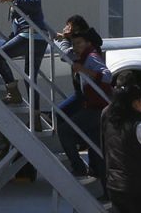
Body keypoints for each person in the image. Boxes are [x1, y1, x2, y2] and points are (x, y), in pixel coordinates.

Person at [0, 0, 50, 104]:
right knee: (30, 78)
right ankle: (35, 117)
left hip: (29, 35)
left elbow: (33, 2)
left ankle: (13, 92)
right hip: (38, 37)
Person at [103, 84, 141, 213]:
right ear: (134, 103)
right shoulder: (139, 126)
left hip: (114, 184)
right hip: (137, 187)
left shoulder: (110, 122)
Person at [57, 28, 110, 179]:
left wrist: (85, 70)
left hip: (97, 108)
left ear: (88, 43)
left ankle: (78, 167)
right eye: (74, 43)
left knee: (64, 130)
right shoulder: (83, 57)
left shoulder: (91, 57)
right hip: (96, 108)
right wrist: (64, 39)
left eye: (79, 43)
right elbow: (66, 53)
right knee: (96, 149)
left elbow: (107, 76)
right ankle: (105, 191)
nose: (76, 46)